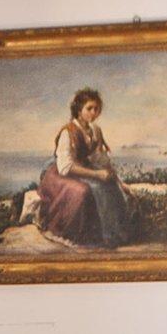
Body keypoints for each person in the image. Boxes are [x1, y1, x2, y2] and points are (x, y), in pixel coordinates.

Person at [35, 88, 131, 247]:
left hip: (85, 169)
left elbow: (101, 159)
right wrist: (97, 174)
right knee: (83, 191)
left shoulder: (96, 130)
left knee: (110, 186)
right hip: (61, 174)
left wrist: (119, 182)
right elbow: (66, 166)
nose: (94, 112)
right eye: (89, 108)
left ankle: (110, 235)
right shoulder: (68, 132)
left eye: (97, 109)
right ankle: (72, 234)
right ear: (79, 109)